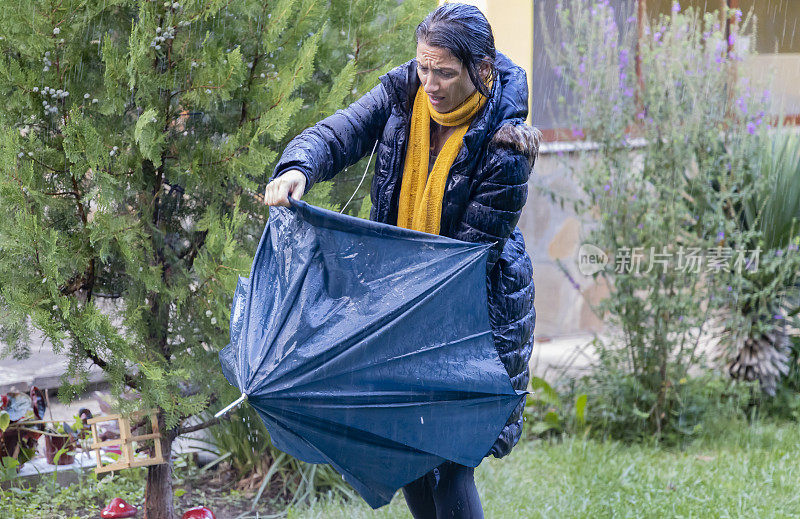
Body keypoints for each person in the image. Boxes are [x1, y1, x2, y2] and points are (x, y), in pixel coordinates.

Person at [264, 3, 539, 517]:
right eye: (424, 67)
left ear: (481, 71)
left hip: (471, 313)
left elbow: (466, 260)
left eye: (445, 72)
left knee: (450, 460)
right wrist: (299, 168)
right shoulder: (403, 93)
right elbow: (341, 131)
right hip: (399, 298)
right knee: (405, 447)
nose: (430, 84)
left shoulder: (506, 146)